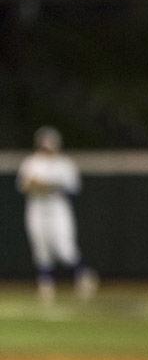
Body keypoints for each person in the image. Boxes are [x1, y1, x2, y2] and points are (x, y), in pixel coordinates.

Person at [17, 127, 98, 302]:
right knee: (41, 248)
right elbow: (23, 186)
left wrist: (46, 185)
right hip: (36, 208)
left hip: (58, 208)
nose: (47, 150)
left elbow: (73, 189)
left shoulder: (64, 164)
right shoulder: (31, 162)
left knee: (64, 248)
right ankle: (46, 285)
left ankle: (83, 275)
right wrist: (35, 185)